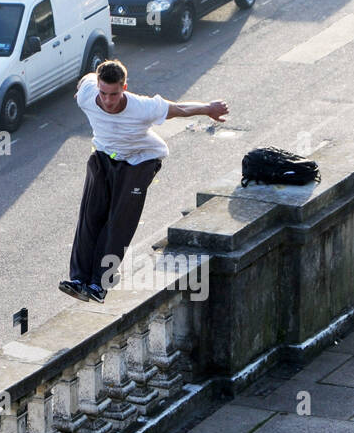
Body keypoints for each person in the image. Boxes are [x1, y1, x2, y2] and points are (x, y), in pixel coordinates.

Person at [60, 60, 229, 303]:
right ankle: (78, 279)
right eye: (103, 93)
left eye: (114, 94)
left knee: (119, 220)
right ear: (97, 87)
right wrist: (85, 84)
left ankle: (99, 283)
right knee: (90, 215)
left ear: (124, 88)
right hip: (105, 156)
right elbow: (86, 79)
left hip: (141, 161)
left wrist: (208, 108)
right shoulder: (87, 94)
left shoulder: (142, 107)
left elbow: (179, 109)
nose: (108, 101)